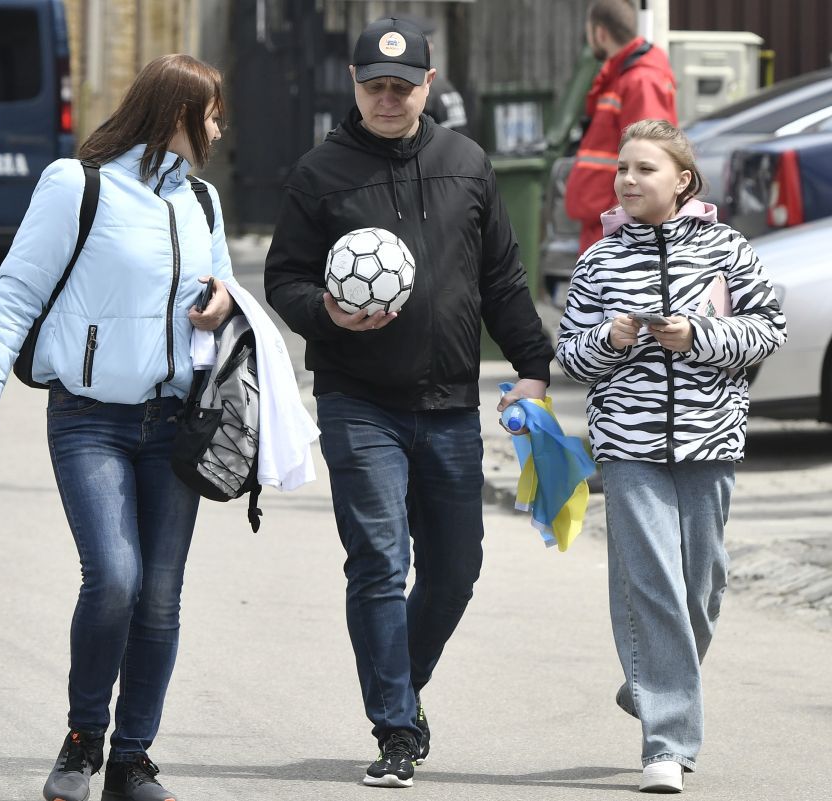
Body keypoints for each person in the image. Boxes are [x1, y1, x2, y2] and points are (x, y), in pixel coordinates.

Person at [263, 15, 554, 789]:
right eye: (374, 86)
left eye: (403, 85)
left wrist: (534, 365)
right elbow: (284, 278)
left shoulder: (468, 162)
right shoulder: (319, 172)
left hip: (451, 402)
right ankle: (394, 726)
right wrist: (326, 310)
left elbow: (501, 279)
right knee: (380, 561)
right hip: (360, 402)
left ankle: (404, 683)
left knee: (457, 569)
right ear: (355, 87)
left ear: (428, 84)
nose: (388, 99)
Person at [0, 54, 235, 801]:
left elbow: (224, 286)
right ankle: (83, 742)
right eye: (211, 113)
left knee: (161, 595)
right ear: (176, 111)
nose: (218, 126)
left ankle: (132, 760)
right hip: (89, 419)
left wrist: (219, 304)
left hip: (177, 422)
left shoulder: (203, 201)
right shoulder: (78, 184)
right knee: (114, 578)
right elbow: (16, 290)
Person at [555, 120, 786, 793]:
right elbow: (570, 354)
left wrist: (700, 335)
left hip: (711, 441)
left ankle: (651, 682)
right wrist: (612, 337)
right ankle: (668, 743)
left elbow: (768, 327)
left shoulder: (727, 249)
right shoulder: (599, 260)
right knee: (653, 583)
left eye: (643, 169)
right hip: (629, 447)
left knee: (704, 585)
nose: (626, 180)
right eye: (621, 169)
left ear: (683, 179)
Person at [565, 0, 677, 255]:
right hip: (608, 223)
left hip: (620, 229)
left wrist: (626, 227)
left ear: (600, 33)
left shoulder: (640, 79)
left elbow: (650, 158)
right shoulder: (623, 76)